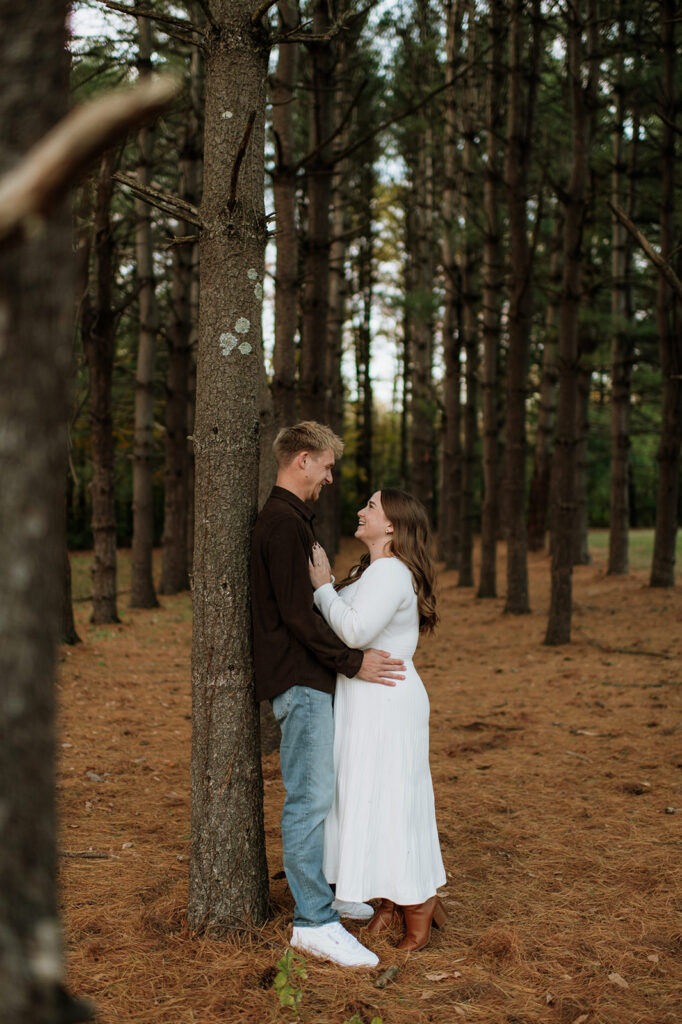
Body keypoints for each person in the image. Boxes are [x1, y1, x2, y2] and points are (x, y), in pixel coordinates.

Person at [251, 422, 405, 968]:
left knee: (319, 797)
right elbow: (297, 617)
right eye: (327, 466)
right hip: (300, 679)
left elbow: (309, 606)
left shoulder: (292, 522)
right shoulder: (281, 524)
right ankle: (314, 922)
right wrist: (353, 661)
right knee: (310, 801)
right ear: (303, 460)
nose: (331, 477)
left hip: (309, 679)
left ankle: (330, 898)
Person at [308, 488, 447, 952]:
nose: (360, 510)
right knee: (373, 797)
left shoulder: (390, 571)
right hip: (365, 698)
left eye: (371, 506)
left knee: (396, 802)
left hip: (387, 700)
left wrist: (323, 586)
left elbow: (354, 630)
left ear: (392, 525)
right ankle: (390, 899)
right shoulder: (375, 570)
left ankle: (421, 904)